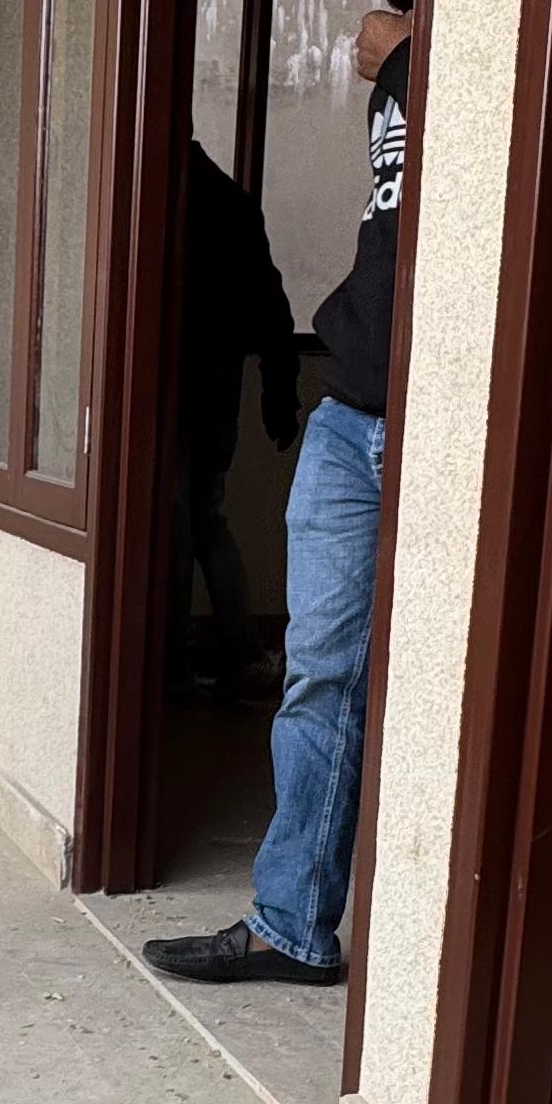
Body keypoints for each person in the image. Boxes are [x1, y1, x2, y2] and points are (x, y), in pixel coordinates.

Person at [148, 0, 424, 987]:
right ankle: (293, 925)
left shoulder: (474, 34)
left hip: (438, 419)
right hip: (352, 412)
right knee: (320, 675)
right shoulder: (402, 45)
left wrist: (408, 64)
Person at [172, 138, 299, 693]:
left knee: (174, 529)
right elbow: (272, 312)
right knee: (206, 521)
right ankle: (239, 649)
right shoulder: (233, 202)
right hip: (217, 395)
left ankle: (168, 662)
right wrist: (280, 398)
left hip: (167, 398)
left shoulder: (158, 200)